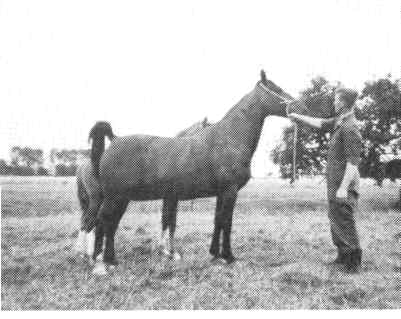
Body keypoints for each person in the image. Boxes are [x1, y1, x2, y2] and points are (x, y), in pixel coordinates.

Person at [289, 87, 363, 273]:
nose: (334, 103)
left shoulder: (349, 127)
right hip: (335, 182)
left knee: (344, 219)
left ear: (344, 103)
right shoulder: (340, 121)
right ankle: (342, 256)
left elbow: (353, 162)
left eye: (337, 100)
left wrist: (343, 187)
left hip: (343, 184)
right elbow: (321, 123)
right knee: (335, 217)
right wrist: (299, 117)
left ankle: (353, 262)